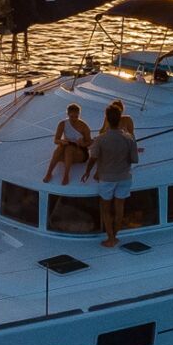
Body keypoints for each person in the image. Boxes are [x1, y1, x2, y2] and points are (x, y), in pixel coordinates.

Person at [91, 107, 137, 248]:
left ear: (107, 118)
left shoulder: (100, 139)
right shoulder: (129, 138)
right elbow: (134, 159)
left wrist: (88, 171)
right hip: (124, 177)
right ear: (120, 118)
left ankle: (110, 238)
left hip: (107, 178)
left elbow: (93, 157)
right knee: (119, 208)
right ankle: (115, 236)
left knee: (106, 209)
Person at [83, 100, 137, 180]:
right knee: (100, 147)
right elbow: (102, 130)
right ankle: (98, 170)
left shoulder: (127, 119)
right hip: (109, 140)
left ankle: (98, 171)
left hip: (121, 143)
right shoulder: (108, 119)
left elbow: (131, 134)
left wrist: (133, 145)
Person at [43, 103, 91, 184]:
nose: (74, 119)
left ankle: (66, 175)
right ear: (68, 114)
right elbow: (56, 140)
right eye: (72, 116)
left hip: (80, 152)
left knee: (69, 149)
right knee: (60, 148)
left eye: (76, 116)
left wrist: (82, 144)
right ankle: (49, 173)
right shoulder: (62, 124)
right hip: (67, 148)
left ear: (79, 115)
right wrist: (61, 141)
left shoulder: (84, 126)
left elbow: (89, 142)